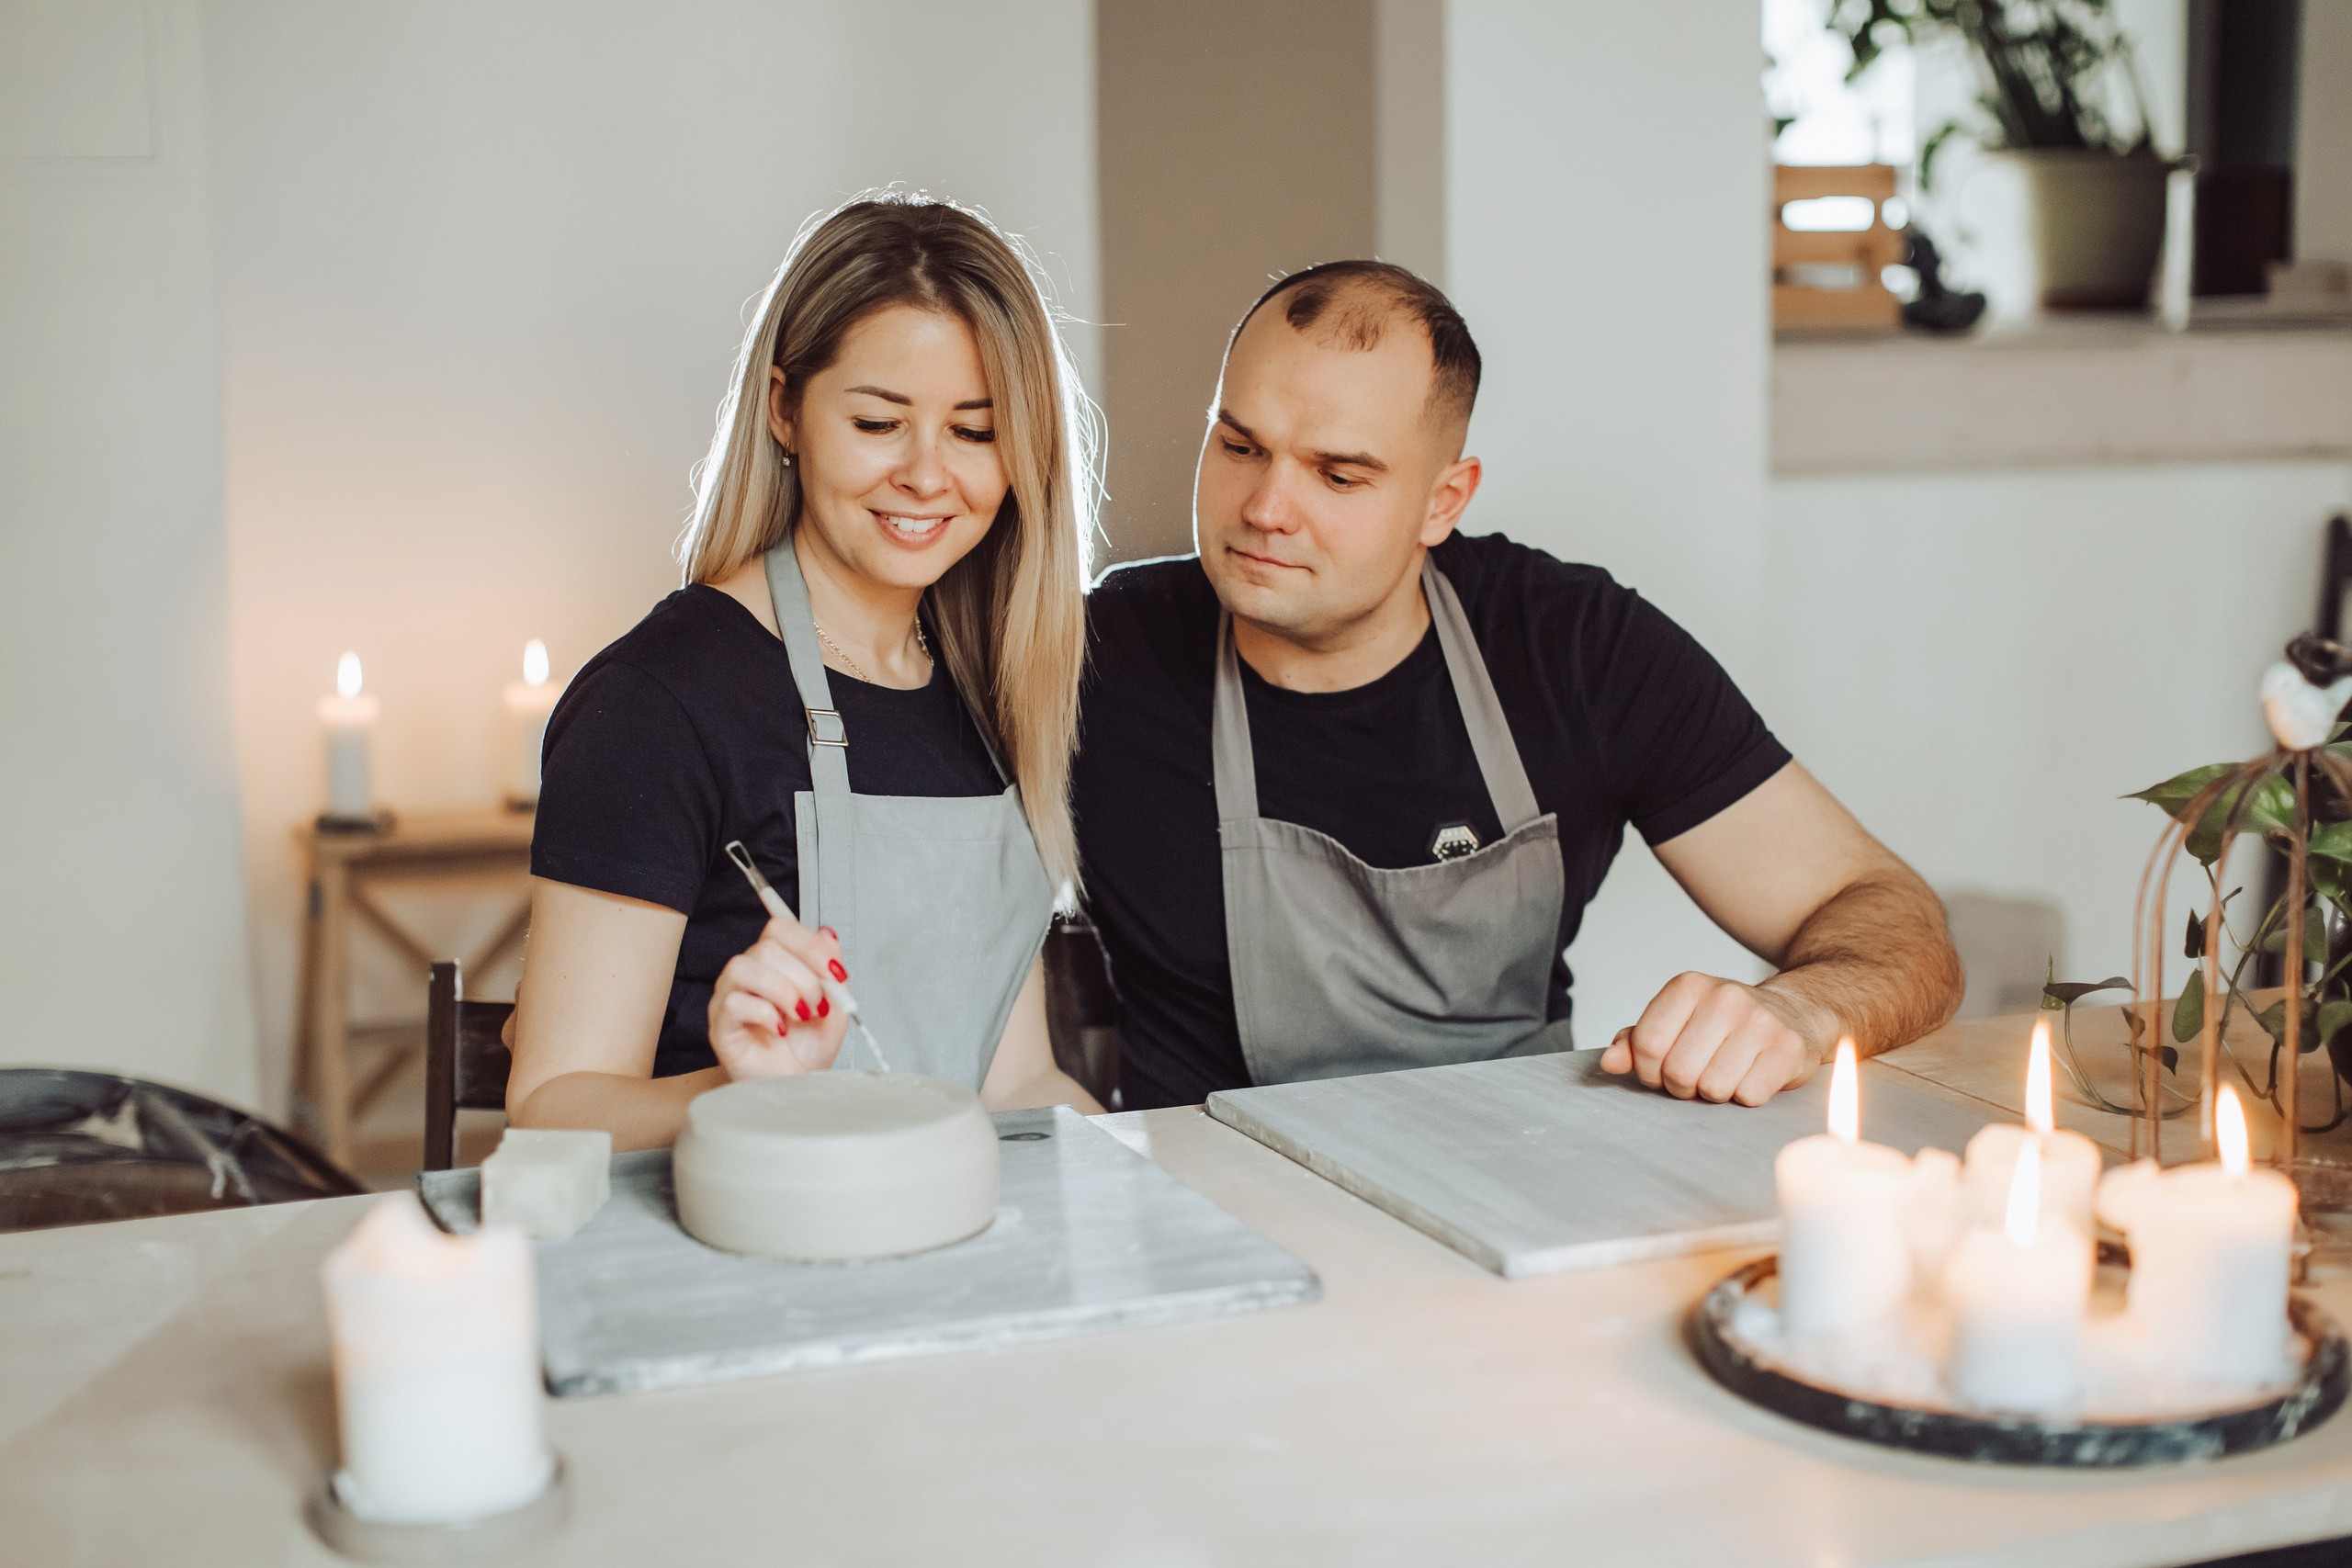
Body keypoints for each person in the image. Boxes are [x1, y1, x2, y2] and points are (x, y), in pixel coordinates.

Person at [1075, 260, 1962, 1111]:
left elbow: (1895, 921)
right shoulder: (1094, 658)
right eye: (1239, 445)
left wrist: (1799, 1011)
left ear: (1443, 502)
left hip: (1518, 1178)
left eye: (1338, 474)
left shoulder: (1577, 650)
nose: (1265, 506)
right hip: (1212, 1204)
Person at [506, 195, 1102, 1149]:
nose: (926, 474)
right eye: (878, 422)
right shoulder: (658, 703)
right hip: (738, 1250)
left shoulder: (988, 690)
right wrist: (744, 1091)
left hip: (947, 1231)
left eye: (975, 431)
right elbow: (550, 1108)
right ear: (786, 409)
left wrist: (1149, 1183)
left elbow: (1015, 1078)